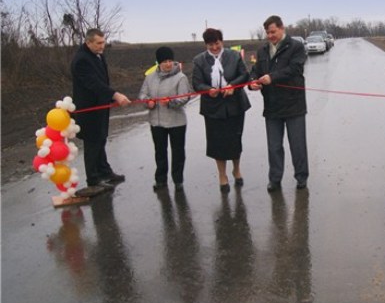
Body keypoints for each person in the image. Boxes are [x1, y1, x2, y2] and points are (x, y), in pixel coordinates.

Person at [249, 15, 309, 193]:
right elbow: (255, 70)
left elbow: (295, 68)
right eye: (267, 32)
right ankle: (275, 179)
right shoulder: (262, 50)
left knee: (297, 145)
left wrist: (271, 77)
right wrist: (253, 81)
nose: (270, 35)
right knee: (274, 147)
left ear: (282, 28)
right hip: (272, 106)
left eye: (273, 31)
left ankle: (301, 177)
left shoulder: (296, 47)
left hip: (294, 105)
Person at [192, 28, 251, 194]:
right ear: (206, 45)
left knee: (235, 139)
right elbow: (196, 84)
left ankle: (236, 169)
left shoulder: (234, 55)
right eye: (210, 44)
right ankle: (222, 175)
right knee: (217, 142)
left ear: (222, 41)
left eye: (217, 43)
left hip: (235, 104)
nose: (214, 47)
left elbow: (244, 75)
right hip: (212, 108)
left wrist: (232, 86)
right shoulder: (199, 60)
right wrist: (208, 89)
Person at [71, 28, 131, 187]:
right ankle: (93, 179)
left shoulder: (98, 55)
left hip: (101, 105)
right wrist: (115, 95)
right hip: (88, 109)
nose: (102, 46)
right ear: (88, 42)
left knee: (101, 138)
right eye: (98, 43)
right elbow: (94, 84)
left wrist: (109, 98)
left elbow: (103, 80)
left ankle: (105, 171)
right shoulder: (81, 60)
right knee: (92, 143)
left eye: (103, 42)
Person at [138, 46, 191, 192]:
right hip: (157, 122)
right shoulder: (150, 78)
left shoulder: (181, 78)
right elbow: (142, 95)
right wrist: (147, 101)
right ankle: (161, 180)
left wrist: (171, 102)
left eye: (170, 61)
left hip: (176, 122)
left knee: (178, 152)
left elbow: (185, 97)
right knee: (160, 152)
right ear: (158, 63)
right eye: (164, 61)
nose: (168, 64)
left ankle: (178, 180)